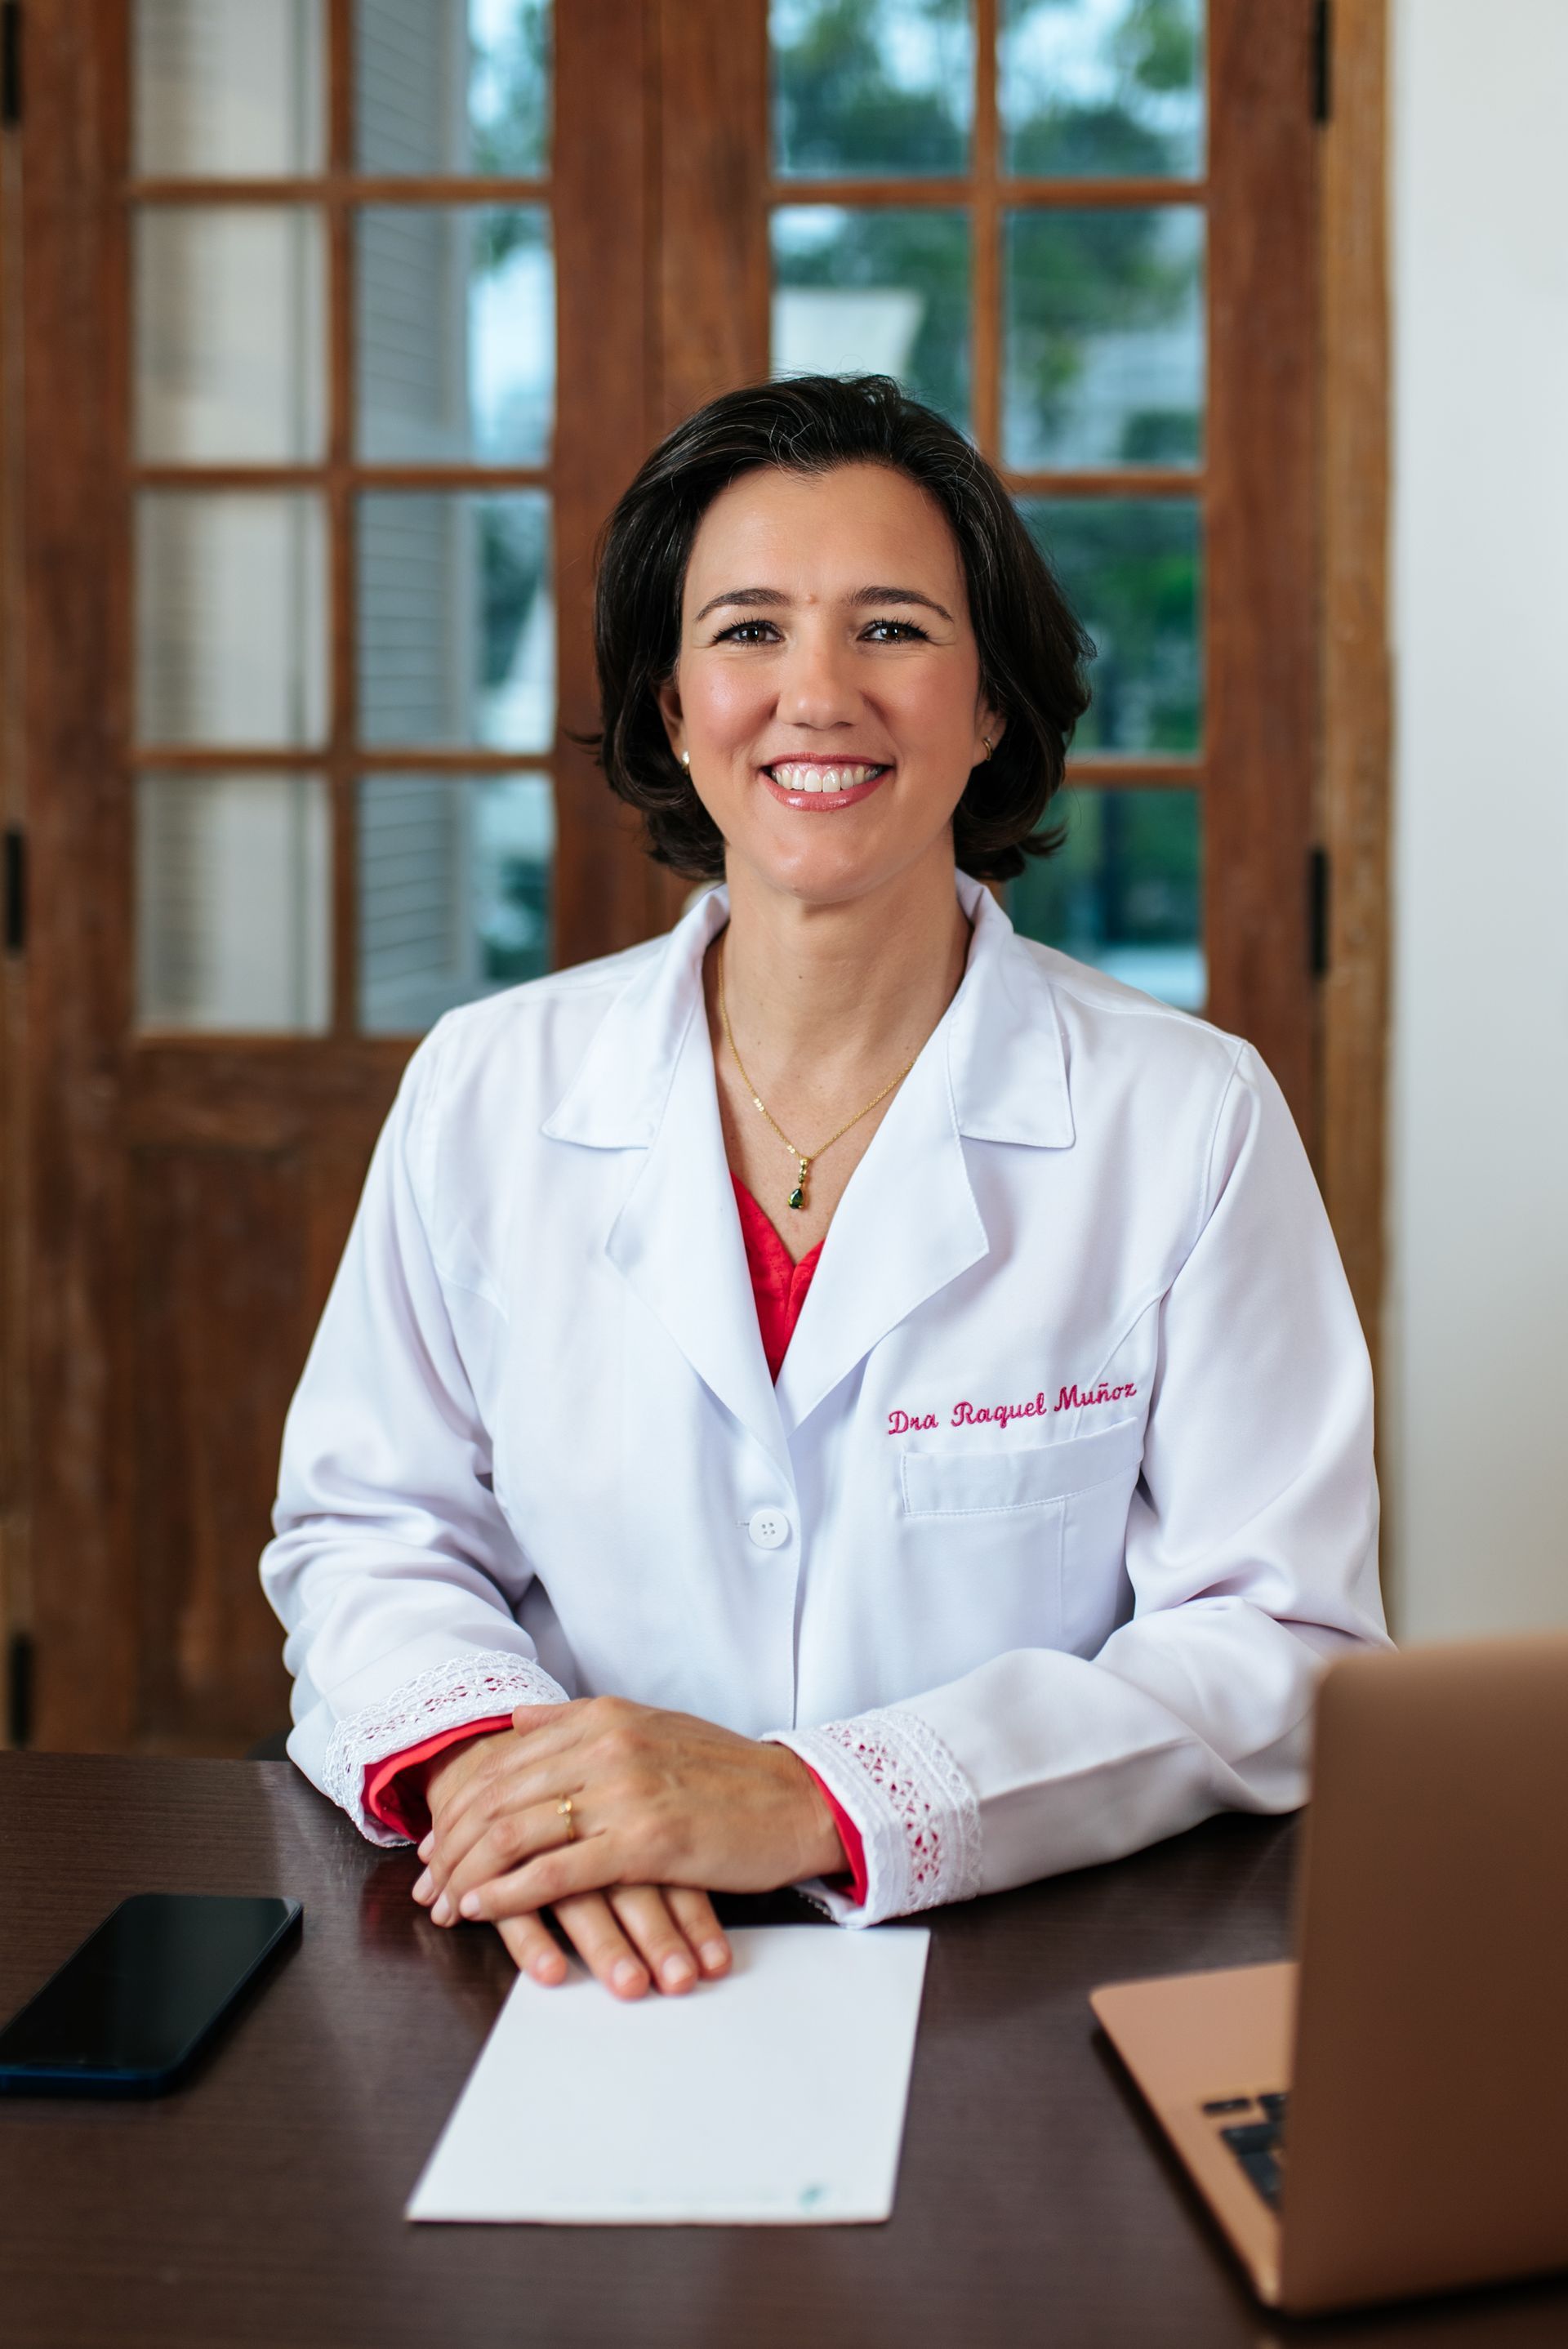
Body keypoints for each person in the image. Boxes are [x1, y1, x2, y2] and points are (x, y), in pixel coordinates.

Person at [261, 373, 1386, 2002]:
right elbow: (371, 1529)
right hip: (577, 1955)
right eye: (747, 630)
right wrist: (505, 1782)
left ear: (992, 702)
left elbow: (1281, 1642)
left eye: (892, 628)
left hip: (1027, 1970)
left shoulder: (1184, 1115)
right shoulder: (488, 1089)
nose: (815, 694)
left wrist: (818, 1797)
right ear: (666, 703)